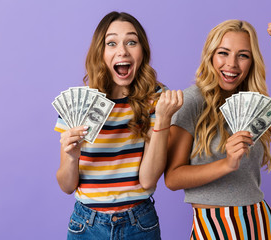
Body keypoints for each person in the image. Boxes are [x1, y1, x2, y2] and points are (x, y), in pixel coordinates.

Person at [165, 20, 271, 239]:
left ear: (252, 61)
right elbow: (172, 178)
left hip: (261, 222)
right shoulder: (191, 101)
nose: (232, 64)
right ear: (210, 55)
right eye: (224, 53)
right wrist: (227, 164)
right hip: (214, 227)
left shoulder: (251, 105)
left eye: (243, 55)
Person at [54, 11, 183, 239]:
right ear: (100, 53)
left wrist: (163, 120)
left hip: (139, 223)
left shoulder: (157, 100)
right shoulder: (78, 105)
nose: (122, 51)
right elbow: (66, 186)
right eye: (111, 43)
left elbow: (148, 179)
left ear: (142, 51)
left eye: (131, 42)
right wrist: (72, 156)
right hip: (86, 225)